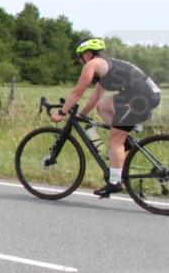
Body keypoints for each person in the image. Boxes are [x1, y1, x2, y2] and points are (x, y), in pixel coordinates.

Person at [51, 38, 162, 197]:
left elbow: (77, 92)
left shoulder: (92, 64)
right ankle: (124, 140)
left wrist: (61, 113)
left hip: (140, 97)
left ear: (88, 54)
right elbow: (95, 97)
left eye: (80, 57)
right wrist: (82, 115)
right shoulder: (105, 66)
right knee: (102, 106)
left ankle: (115, 182)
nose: (80, 61)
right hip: (143, 94)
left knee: (115, 139)